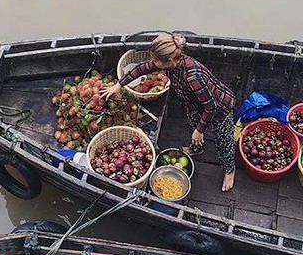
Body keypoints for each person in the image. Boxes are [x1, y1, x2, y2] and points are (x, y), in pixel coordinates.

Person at [100, 32, 237, 191]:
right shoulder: (169, 63)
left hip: (220, 107)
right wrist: (119, 85)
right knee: (194, 128)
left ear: (169, 61)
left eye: (156, 60)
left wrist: (200, 130)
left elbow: (210, 107)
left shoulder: (193, 77)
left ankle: (229, 170)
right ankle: (197, 149)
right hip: (193, 103)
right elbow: (142, 68)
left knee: (223, 140)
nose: (153, 63)